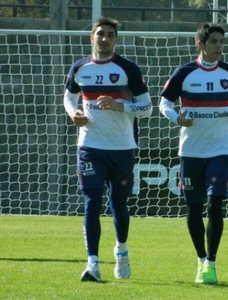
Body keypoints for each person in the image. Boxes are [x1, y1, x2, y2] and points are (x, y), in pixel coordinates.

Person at [159, 23, 228, 285]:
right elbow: (163, 103)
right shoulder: (185, 73)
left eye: (221, 41)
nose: (219, 46)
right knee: (194, 206)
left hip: (222, 148)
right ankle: (200, 259)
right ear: (200, 44)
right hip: (191, 149)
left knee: (215, 204)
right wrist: (178, 118)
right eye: (213, 41)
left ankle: (210, 262)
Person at [63, 17, 153, 282]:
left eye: (110, 35)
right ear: (92, 38)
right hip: (90, 145)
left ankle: (121, 251)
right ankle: (92, 263)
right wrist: (73, 113)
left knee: (119, 204)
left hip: (122, 147)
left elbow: (147, 108)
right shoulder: (80, 68)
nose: (105, 39)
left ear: (115, 39)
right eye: (100, 34)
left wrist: (119, 105)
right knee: (92, 202)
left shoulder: (128, 69)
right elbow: (69, 96)